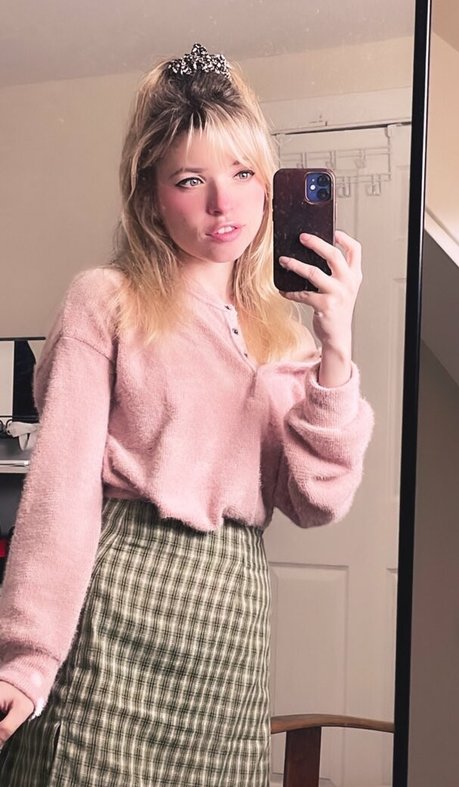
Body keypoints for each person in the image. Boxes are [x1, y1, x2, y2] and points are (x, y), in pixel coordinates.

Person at [0, 43, 373, 786]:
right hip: (119, 608)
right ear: (150, 195)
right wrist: (27, 660)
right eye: (190, 179)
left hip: (230, 625)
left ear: (268, 185)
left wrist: (336, 348)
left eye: (243, 174)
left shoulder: (287, 337)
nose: (222, 204)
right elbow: (60, 492)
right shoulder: (105, 301)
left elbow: (317, 501)